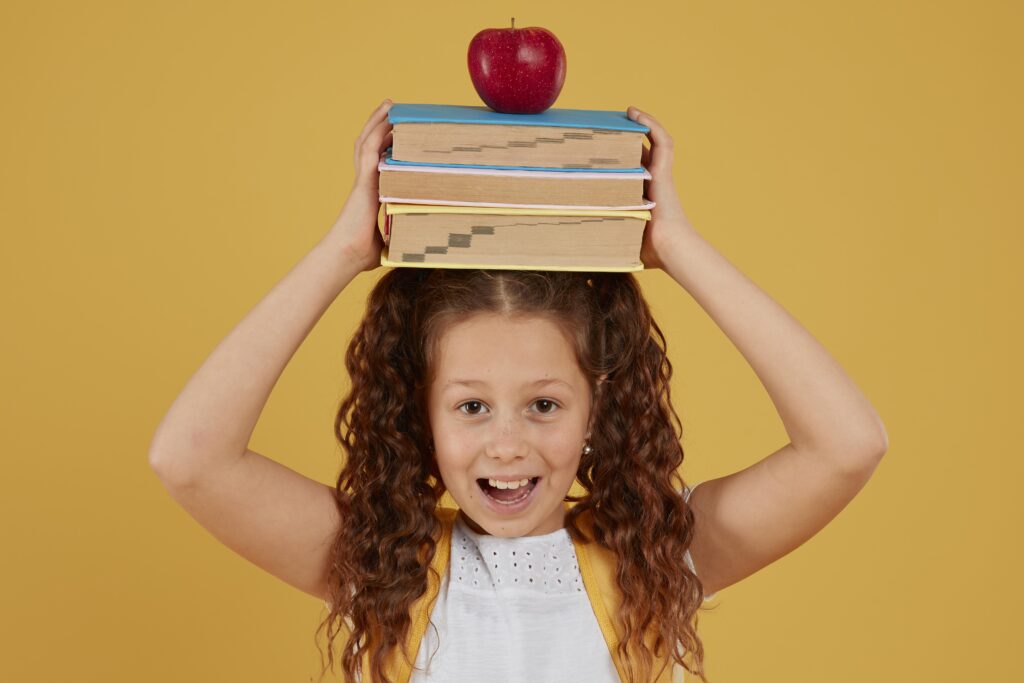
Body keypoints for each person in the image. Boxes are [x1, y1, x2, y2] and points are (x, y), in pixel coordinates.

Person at [148, 99, 889, 683]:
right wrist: (342, 252)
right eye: (471, 405)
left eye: (544, 404)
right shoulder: (386, 568)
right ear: (421, 417)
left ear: (597, 408)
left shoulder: (651, 562)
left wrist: (679, 248)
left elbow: (846, 445)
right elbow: (190, 458)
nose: (507, 443)